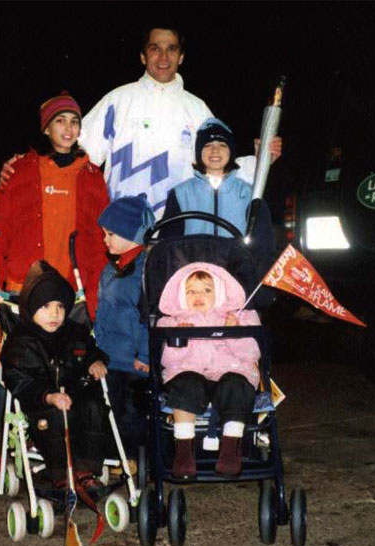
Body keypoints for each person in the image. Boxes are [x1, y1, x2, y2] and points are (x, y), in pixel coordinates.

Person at [0, 92, 109, 474]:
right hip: (22, 290)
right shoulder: (20, 170)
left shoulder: (91, 176)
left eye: (74, 121)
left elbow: (103, 233)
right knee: (7, 368)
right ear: (46, 128)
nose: (68, 129)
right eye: (60, 121)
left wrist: (102, 286)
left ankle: (59, 449)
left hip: (74, 293)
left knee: (73, 370)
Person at [0, 25, 282, 219]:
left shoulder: (198, 110)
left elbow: (219, 170)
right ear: (143, 55)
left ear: (181, 56)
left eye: (171, 49)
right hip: (122, 232)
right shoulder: (118, 101)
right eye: (155, 49)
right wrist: (26, 170)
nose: (163, 57)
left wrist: (259, 160)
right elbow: (72, 154)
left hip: (178, 229)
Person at [0, 261, 110, 486]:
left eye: (60, 306)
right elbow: (19, 379)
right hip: (43, 404)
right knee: (56, 416)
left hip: (77, 396)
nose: (55, 313)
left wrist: (95, 361)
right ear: (31, 309)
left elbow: (91, 351)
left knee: (95, 407)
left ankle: (85, 470)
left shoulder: (74, 332)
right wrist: (48, 396)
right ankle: (61, 474)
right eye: (46, 307)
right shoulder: (22, 342)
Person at [157, 262, 261, 478]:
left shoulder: (241, 317)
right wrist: (179, 340)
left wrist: (235, 332)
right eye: (191, 291)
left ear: (220, 292)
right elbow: (167, 361)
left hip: (230, 371)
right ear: (180, 295)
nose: (198, 295)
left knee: (236, 384)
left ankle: (231, 450)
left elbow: (252, 354)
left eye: (206, 290)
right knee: (185, 383)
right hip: (191, 373)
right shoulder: (172, 322)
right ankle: (184, 452)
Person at [160, 117, 276, 295]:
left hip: (236, 285)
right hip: (194, 286)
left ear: (231, 151)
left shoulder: (249, 193)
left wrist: (259, 292)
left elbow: (263, 247)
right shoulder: (181, 193)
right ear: (199, 152)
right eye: (207, 145)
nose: (215, 150)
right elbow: (168, 245)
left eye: (222, 145)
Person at [94, 194, 155, 469]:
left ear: (132, 234)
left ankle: (133, 458)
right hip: (111, 357)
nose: (105, 240)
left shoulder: (146, 270)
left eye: (110, 234)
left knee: (134, 412)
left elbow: (149, 316)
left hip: (134, 360)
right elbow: (104, 311)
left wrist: (145, 353)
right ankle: (113, 453)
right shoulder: (111, 268)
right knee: (111, 408)